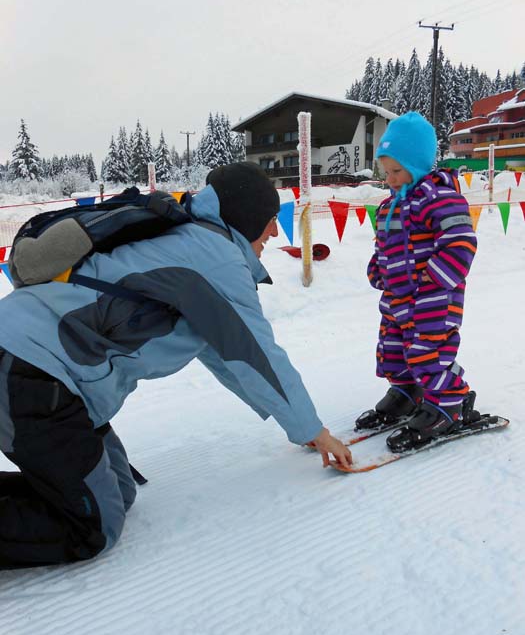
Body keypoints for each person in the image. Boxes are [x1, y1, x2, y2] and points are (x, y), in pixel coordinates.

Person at [0, 162, 352, 568]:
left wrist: (299, 427)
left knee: (117, 491)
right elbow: (256, 353)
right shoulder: (214, 259)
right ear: (248, 216)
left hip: (51, 374)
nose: (275, 232)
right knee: (93, 525)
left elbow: (226, 354)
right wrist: (315, 430)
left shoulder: (195, 242)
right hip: (28, 371)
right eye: (271, 220)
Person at [357, 112, 478, 452]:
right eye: (387, 172)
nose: (391, 179)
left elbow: (461, 242)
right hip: (397, 297)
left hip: (434, 299)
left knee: (429, 352)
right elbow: (383, 244)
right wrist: (377, 269)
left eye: (397, 170)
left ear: (419, 164)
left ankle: (449, 403)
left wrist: (432, 280)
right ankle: (407, 391)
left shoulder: (441, 198)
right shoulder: (387, 208)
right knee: (393, 348)